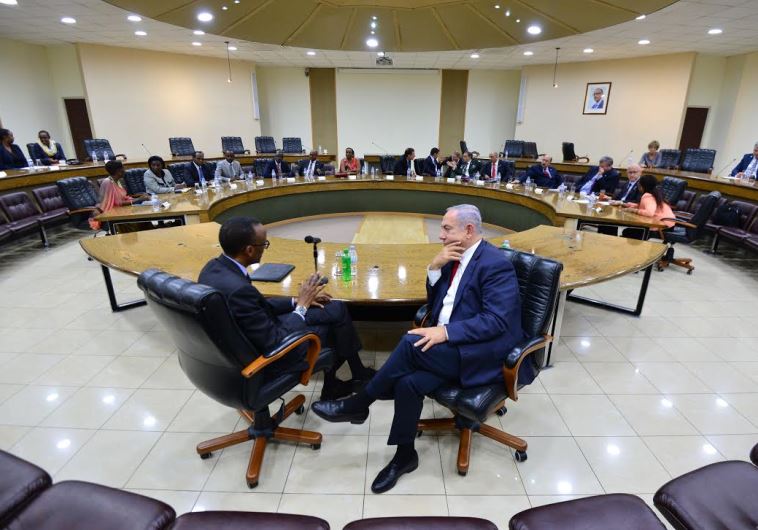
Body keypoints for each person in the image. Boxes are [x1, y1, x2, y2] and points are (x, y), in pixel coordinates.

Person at [311, 204, 525, 494]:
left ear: (468, 230)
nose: (441, 235)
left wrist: (445, 332)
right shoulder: (453, 256)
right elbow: (438, 304)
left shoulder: (495, 264)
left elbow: (496, 321)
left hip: (479, 352)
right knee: (408, 384)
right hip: (451, 346)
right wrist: (434, 268)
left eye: (447, 229)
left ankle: (358, 404)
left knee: (410, 343)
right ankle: (404, 456)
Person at [198, 217, 375, 399]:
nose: (265, 247)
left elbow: (257, 306)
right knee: (331, 330)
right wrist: (301, 307)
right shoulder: (238, 290)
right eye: (264, 244)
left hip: (257, 331)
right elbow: (274, 341)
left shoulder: (214, 268)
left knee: (335, 308)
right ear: (249, 250)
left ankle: (357, 373)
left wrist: (296, 300)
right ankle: (332, 387)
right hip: (271, 351)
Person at [90, 160, 149, 232]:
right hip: (110, 213)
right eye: (123, 168)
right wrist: (139, 199)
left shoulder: (117, 181)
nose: (124, 170)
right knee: (137, 219)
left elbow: (124, 197)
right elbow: (118, 203)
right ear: (118, 171)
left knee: (143, 214)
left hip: (120, 209)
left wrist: (140, 197)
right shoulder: (108, 182)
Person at [621, 174, 675, 238]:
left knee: (628, 232)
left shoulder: (647, 196)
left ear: (642, 186)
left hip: (662, 227)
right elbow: (645, 206)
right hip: (668, 224)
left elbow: (649, 213)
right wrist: (627, 205)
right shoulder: (655, 193)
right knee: (630, 230)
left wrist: (634, 210)